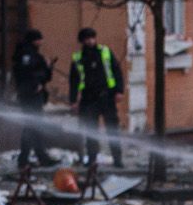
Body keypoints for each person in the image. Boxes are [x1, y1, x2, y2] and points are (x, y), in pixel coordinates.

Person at [66, 27, 124, 171]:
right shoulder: (78, 58)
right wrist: (73, 100)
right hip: (89, 99)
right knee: (91, 131)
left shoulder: (105, 52)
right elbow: (73, 80)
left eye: (92, 37)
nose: (91, 41)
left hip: (107, 96)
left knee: (112, 129)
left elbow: (117, 71)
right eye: (87, 39)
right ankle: (92, 159)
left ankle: (117, 159)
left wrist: (119, 91)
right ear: (82, 41)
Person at [10, 29, 57, 170]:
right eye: (39, 39)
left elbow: (44, 75)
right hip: (30, 96)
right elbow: (26, 73)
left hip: (34, 95)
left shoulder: (34, 55)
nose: (41, 42)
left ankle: (41, 157)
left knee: (36, 126)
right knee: (31, 126)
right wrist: (36, 83)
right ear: (33, 40)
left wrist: (48, 68)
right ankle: (24, 159)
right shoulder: (26, 55)